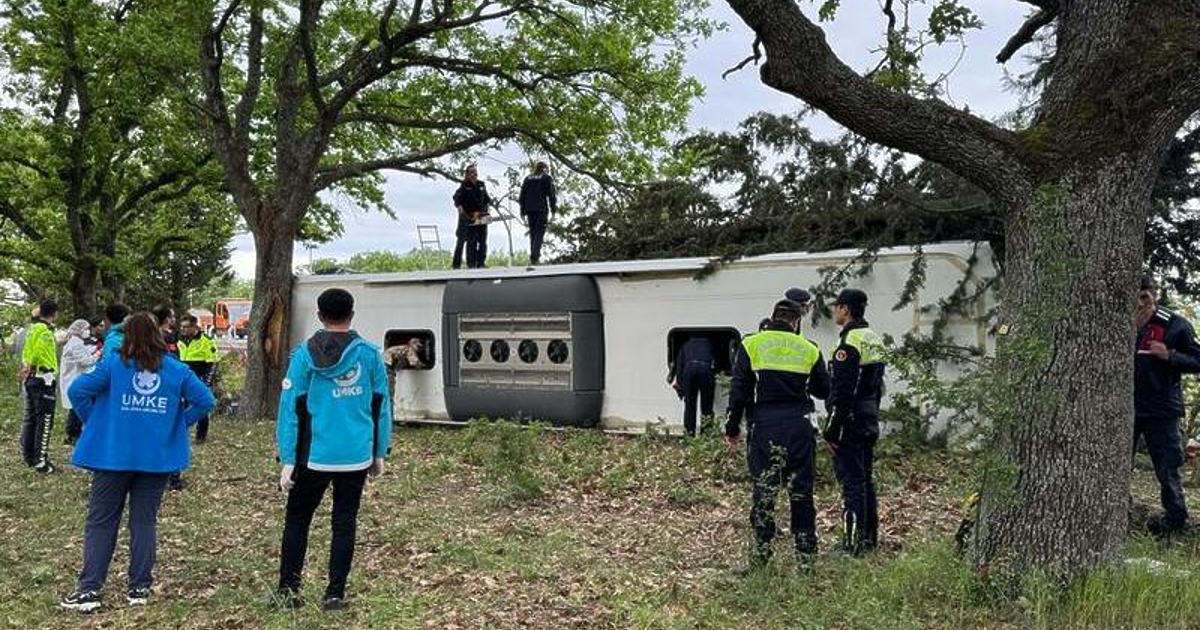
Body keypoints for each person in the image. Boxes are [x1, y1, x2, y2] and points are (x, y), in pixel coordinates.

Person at [58, 312, 215, 612]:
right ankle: (139, 588)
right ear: (157, 335)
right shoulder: (175, 369)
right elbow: (206, 400)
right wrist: (179, 423)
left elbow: (78, 391)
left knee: (101, 521)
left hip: (112, 456)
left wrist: (93, 422)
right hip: (155, 459)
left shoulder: (115, 365)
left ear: (126, 335)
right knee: (144, 522)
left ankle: (90, 590)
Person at [272, 288, 391, 611]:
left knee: (297, 519)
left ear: (321, 316)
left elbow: (290, 408)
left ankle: (288, 590)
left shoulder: (303, 356)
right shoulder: (369, 355)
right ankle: (335, 594)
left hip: (313, 456)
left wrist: (288, 458)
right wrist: (380, 452)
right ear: (351, 315)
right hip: (356, 456)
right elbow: (381, 406)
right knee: (344, 521)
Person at [725, 299, 830, 570]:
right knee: (801, 492)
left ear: (773, 318)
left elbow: (739, 393)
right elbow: (823, 390)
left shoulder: (751, 344)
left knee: (765, 490)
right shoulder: (810, 349)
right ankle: (806, 560)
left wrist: (732, 428)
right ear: (796, 322)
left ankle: (761, 556)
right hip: (800, 427)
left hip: (765, 426)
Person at [1134, 274, 1200, 536]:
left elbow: (1198, 360)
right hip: (1124, 409)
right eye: (1135, 297)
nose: (1140, 303)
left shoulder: (1175, 325)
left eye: (1144, 296)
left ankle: (1175, 525)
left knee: (1167, 470)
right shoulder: (1117, 322)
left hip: (1162, 410)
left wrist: (1169, 355)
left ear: (1154, 294)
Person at [823, 289, 886, 555]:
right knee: (865, 480)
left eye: (836, 307)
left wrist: (831, 430)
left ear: (845, 309)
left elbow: (843, 392)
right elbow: (877, 387)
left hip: (850, 421)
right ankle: (870, 538)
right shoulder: (873, 338)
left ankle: (852, 543)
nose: (835, 311)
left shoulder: (848, 343)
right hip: (869, 417)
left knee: (852, 483)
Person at [20, 299, 60, 473]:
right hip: (44, 378)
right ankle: (40, 461)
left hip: (31, 379)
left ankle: (29, 456)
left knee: (31, 419)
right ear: (54, 313)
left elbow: (27, 351)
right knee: (44, 421)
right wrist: (33, 365)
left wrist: (27, 366)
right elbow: (37, 352)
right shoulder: (45, 331)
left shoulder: (33, 328)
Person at [178, 314, 219, 444]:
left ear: (195, 326)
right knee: (181, 406)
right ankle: (180, 433)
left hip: (199, 377)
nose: (183, 330)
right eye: (182, 327)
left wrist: (207, 382)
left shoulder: (207, 340)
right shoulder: (179, 340)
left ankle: (201, 436)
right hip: (183, 376)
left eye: (186, 327)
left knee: (201, 406)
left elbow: (213, 363)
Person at [61, 319, 101, 446]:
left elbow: (83, 353)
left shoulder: (76, 342)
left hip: (74, 379)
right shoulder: (75, 344)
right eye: (86, 329)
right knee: (75, 410)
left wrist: (94, 350)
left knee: (75, 409)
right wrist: (98, 354)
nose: (87, 331)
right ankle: (72, 435)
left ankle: (73, 434)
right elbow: (85, 361)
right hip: (73, 379)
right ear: (79, 330)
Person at [667, 336, 717, 436]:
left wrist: (680, 387)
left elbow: (679, 366)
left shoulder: (685, 345)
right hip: (705, 368)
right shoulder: (711, 344)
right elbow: (717, 362)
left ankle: (689, 435)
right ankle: (707, 436)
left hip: (689, 369)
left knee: (690, 405)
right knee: (707, 406)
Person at [517, 161, 558, 266]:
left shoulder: (528, 178)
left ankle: (533, 257)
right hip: (541, 209)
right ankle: (535, 257)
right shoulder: (546, 178)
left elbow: (522, 196)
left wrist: (522, 211)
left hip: (530, 210)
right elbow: (551, 195)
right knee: (539, 233)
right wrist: (553, 211)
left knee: (533, 233)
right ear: (544, 169)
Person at [452, 164, 492, 269]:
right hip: (470, 217)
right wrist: (462, 212)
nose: (474, 174)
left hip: (482, 215)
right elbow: (457, 199)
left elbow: (487, 200)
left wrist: (486, 211)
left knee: (483, 241)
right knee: (472, 241)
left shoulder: (481, 184)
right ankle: (472, 264)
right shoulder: (465, 185)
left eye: (475, 172)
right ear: (467, 174)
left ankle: (481, 263)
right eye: (472, 172)